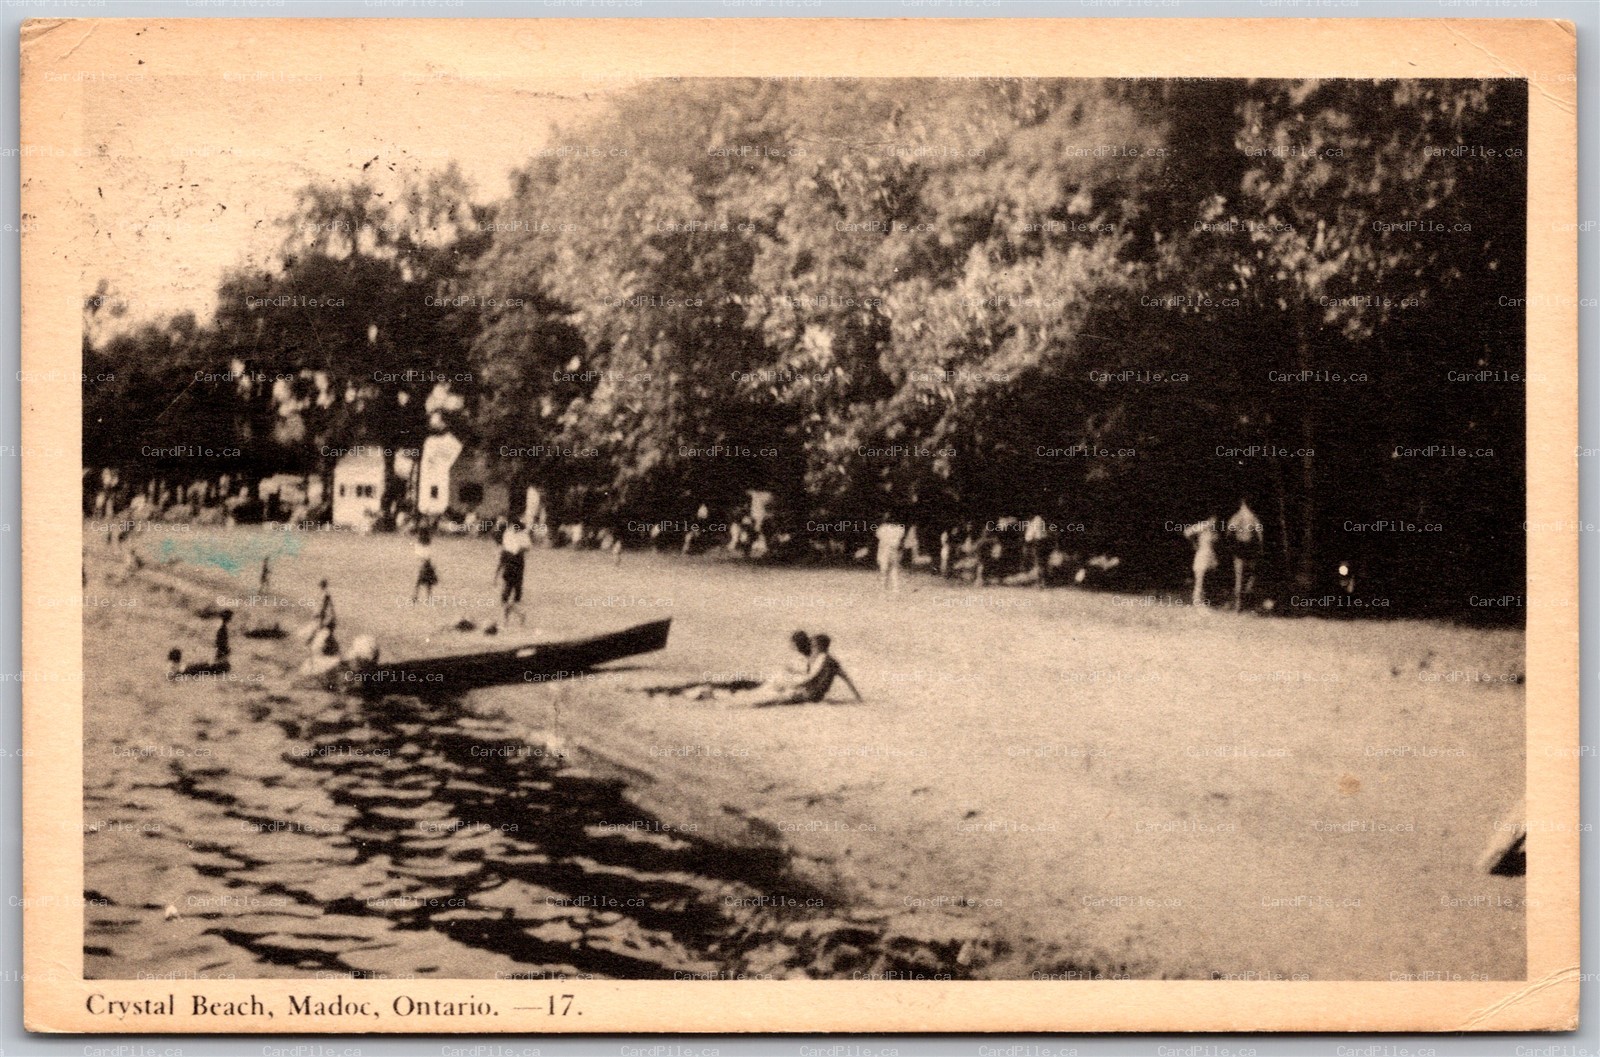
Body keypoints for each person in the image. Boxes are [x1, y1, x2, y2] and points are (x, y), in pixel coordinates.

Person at [751, 633, 863, 708]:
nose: (812, 648)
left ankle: (755, 703)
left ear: (819, 646)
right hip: (814, 694)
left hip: (809, 694)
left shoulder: (823, 659)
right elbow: (846, 678)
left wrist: (791, 684)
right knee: (777, 696)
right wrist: (858, 697)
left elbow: (811, 677)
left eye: (813, 646)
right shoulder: (831, 661)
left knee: (774, 700)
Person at [1225, 498, 1265, 613]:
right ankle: (1247, 598)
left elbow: (1229, 531)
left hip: (1239, 548)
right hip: (1250, 548)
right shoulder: (1253, 517)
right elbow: (1260, 533)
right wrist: (1260, 547)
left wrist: (1231, 545)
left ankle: (1238, 606)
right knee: (1252, 574)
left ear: (1241, 504)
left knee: (1239, 576)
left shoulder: (1236, 517)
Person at [496, 520, 532, 626]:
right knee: (507, 596)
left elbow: (526, 547)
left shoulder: (520, 536)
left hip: (515, 563)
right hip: (513, 561)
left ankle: (517, 615)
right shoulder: (510, 534)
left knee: (506, 595)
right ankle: (507, 620)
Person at [1184, 514, 1222, 608]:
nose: (1214, 522)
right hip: (1202, 554)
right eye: (1213, 520)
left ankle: (1207, 600)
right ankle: (1197, 601)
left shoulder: (1214, 530)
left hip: (1211, 555)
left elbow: (1216, 541)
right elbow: (1187, 532)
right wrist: (1194, 543)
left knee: (1209, 579)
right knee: (1200, 578)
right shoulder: (1203, 526)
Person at [876, 515, 907, 592]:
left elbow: (879, 536)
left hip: (884, 549)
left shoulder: (883, 528)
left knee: (883, 568)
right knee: (894, 568)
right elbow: (900, 539)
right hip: (894, 549)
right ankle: (895, 587)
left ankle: (883, 586)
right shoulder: (900, 528)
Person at [413, 528, 439, 604]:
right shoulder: (427, 544)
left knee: (420, 581)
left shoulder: (419, 545)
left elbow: (419, 555)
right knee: (427, 582)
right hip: (427, 564)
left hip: (424, 564)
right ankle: (427, 597)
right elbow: (429, 554)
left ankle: (416, 596)